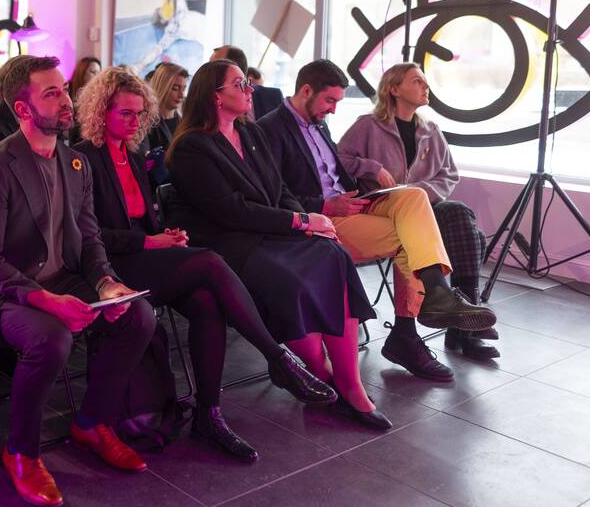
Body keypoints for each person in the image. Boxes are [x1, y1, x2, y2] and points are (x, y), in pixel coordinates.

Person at [74, 68, 334, 461]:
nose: (135, 122)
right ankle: (278, 358)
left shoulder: (134, 156)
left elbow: (146, 220)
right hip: (110, 268)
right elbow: (87, 236)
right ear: (100, 112)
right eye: (125, 113)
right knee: (210, 261)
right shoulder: (83, 159)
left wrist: (166, 235)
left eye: (140, 114)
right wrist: (149, 241)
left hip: (146, 258)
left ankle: (208, 415)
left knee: (208, 303)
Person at [0, 54, 156, 507]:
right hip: (0, 291)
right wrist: (45, 299)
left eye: (64, 90)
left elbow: (90, 238)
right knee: (51, 337)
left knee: (137, 315)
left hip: (60, 278)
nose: (67, 100)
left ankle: (94, 422)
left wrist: (106, 284)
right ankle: (21, 451)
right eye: (52, 93)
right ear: (23, 109)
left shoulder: (75, 162)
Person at [165, 60, 388, 430]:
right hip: (232, 244)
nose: (250, 89)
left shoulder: (250, 132)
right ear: (215, 96)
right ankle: (319, 374)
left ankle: (350, 383)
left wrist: (307, 221)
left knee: (332, 255)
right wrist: (299, 221)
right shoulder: (193, 147)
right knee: (291, 279)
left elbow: (280, 189)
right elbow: (231, 212)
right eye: (240, 84)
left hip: (271, 232)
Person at [258, 60, 495, 383]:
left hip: (353, 204)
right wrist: (325, 204)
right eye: (330, 101)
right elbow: (274, 193)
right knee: (412, 238)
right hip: (321, 217)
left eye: (338, 102)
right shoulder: (270, 129)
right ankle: (408, 333)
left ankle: (437, 293)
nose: (333, 109)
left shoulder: (319, 123)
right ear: (306, 91)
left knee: (414, 197)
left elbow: (337, 171)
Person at [338, 63, 500, 360]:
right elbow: (338, 158)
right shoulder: (367, 126)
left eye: (425, 82)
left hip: (422, 207)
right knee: (471, 234)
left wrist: (419, 193)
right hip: (381, 209)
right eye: (417, 81)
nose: (426, 87)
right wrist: (372, 168)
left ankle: (461, 318)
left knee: (461, 218)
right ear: (394, 89)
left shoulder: (430, 130)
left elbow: (449, 175)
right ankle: (463, 330)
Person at [211, 45, 282, 119]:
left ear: (236, 69)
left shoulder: (274, 97)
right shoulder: (210, 103)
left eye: (214, 65)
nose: (250, 89)